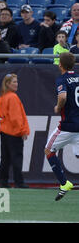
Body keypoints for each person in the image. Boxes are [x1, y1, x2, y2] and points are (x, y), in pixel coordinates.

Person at [45, 52, 79, 201]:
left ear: (60, 64)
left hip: (68, 126)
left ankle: (64, 183)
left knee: (48, 151)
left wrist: (58, 107)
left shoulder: (62, 79)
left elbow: (63, 96)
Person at [0, 74, 30, 188]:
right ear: (7, 84)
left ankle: (3, 182)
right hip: (14, 132)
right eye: (13, 82)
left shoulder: (3, 96)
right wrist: (22, 131)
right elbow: (16, 117)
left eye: (16, 81)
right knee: (16, 158)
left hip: (4, 131)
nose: (16, 84)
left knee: (5, 159)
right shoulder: (12, 97)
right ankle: (19, 182)